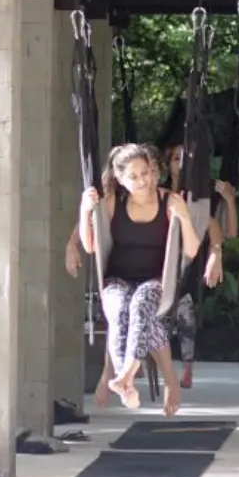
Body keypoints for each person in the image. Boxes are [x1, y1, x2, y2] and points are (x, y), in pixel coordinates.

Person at [74, 143, 203, 415]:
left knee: (141, 304)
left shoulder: (169, 201)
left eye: (146, 172)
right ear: (120, 178)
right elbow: (90, 247)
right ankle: (126, 379)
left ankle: (126, 377)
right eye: (133, 176)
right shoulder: (112, 203)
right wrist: (85, 211)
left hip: (155, 280)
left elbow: (191, 250)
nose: (142, 180)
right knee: (121, 308)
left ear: (153, 171)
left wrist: (184, 218)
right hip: (117, 278)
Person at [164, 142, 237, 392]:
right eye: (175, 158)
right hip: (159, 263)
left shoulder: (202, 196)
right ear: (167, 164)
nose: (180, 163)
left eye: (185, 159)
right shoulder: (157, 192)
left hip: (188, 264)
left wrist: (215, 253)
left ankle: (186, 366)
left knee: (184, 309)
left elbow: (222, 229)